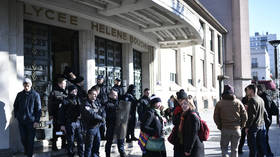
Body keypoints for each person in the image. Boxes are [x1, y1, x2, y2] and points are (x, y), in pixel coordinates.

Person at [214, 85, 248, 157]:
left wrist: (220, 126)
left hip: (225, 128)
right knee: (234, 150)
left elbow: (216, 117)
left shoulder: (219, 103)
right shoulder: (238, 102)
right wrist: (242, 125)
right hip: (236, 129)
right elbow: (245, 115)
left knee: (224, 149)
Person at [14, 78, 42, 157]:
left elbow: (38, 109)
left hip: (31, 121)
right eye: (25, 85)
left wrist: (36, 120)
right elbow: (15, 106)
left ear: (31, 85)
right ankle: (27, 150)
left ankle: (29, 154)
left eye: (28, 85)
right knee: (23, 138)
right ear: (23, 85)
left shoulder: (35, 95)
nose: (26, 87)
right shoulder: (19, 94)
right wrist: (17, 115)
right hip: (22, 121)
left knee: (30, 139)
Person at [59, 85, 84, 157]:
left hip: (78, 122)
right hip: (70, 123)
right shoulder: (65, 101)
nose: (75, 92)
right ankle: (70, 154)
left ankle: (81, 154)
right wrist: (62, 125)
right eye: (73, 91)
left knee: (80, 140)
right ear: (70, 91)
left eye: (76, 91)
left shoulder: (79, 99)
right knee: (70, 140)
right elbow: (61, 114)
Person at [82, 88, 106, 157]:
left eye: (96, 95)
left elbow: (102, 110)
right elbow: (91, 114)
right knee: (89, 147)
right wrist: (101, 118)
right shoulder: (86, 103)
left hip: (97, 127)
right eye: (93, 94)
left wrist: (103, 117)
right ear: (89, 95)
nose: (95, 96)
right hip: (89, 128)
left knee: (97, 145)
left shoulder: (96, 102)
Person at [245, 84, 267, 157]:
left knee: (253, 148)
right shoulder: (261, 99)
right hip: (260, 125)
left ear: (251, 90)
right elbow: (264, 113)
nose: (246, 91)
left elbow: (251, 116)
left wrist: (247, 127)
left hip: (254, 127)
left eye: (247, 90)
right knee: (259, 147)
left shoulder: (252, 100)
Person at [105, 90, 126, 157]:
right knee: (109, 142)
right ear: (110, 95)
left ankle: (122, 154)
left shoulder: (119, 103)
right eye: (114, 95)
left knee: (121, 143)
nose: (116, 96)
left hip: (119, 126)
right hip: (111, 125)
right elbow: (107, 115)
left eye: (116, 95)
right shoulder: (107, 104)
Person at [48, 77, 67, 151]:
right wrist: (51, 115)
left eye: (65, 83)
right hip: (56, 115)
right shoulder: (54, 92)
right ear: (59, 84)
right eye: (63, 83)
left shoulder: (66, 92)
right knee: (56, 130)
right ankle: (54, 144)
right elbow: (50, 104)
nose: (65, 85)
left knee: (63, 130)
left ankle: (63, 143)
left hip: (64, 115)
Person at [257, 84, 274, 157]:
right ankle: (266, 153)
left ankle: (268, 153)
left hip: (265, 120)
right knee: (264, 138)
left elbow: (264, 111)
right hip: (267, 120)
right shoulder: (267, 96)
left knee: (263, 138)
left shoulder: (263, 98)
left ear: (260, 90)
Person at [95, 75, 109, 140]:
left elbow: (108, 96)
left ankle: (102, 135)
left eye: (100, 79)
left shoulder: (106, 88)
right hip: (97, 106)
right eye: (98, 79)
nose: (99, 80)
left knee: (103, 121)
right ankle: (99, 135)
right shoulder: (94, 87)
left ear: (103, 80)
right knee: (98, 121)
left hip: (104, 106)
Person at [238, 87, 250, 154]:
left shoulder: (253, 99)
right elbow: (241, 110)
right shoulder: (244, 99)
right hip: (244, 120)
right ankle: (240, 149)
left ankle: (251, 149)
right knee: (242, 136)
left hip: (250, 120)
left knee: (250, 137)